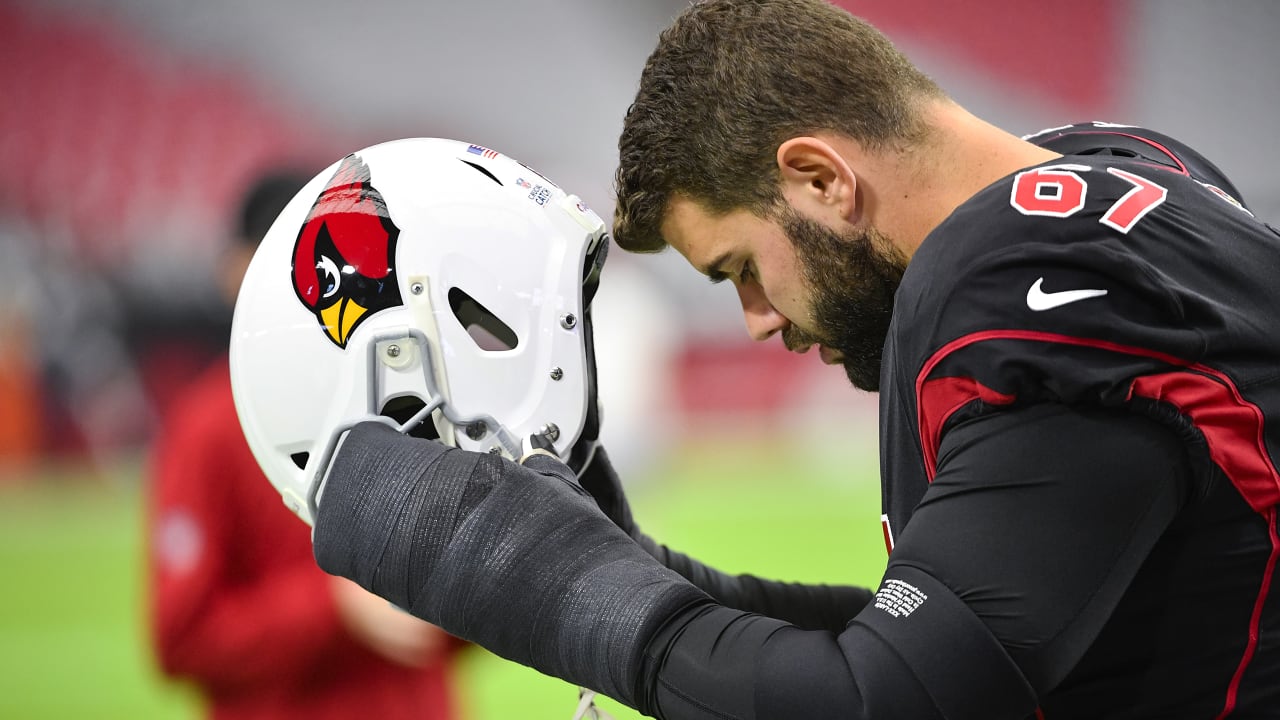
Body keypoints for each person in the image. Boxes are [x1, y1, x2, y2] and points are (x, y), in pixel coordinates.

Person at [232, 3, 1279, 719]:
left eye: (740, 267)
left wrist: (502, 563)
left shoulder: (1016, 286)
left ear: (820, 178)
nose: (754, 323)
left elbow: (883, 703)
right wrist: (645, 570)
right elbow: (975, 630)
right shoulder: (1137, 178)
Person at [146, 170, 464, 720]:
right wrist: (332, 606)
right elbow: (183, 636)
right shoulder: (207, 428)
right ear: (236, 272)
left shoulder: (412, 400)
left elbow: (465, 611)